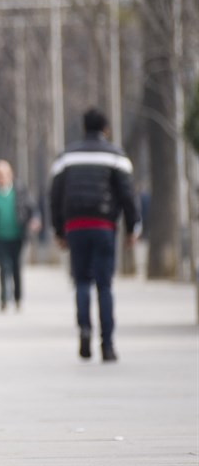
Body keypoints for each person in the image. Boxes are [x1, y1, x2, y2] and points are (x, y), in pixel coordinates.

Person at [50, 108, 140, 362]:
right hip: (103, 227)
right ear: (106, 129)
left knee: (81, 282)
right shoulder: (116, 156)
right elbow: (128, 195)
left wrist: (58, 229)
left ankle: (85, 330)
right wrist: (133, 228)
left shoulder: (66, 157)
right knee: (104, 285)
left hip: (76, 226)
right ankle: (108, 344)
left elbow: (55, 196)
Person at [0, 160, 39, 311]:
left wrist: (34, 220)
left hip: (17, 236)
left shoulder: (20, 190)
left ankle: (18, 297)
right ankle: (4, 299)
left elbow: (32, 208)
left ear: (11, 174)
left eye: (5, 174)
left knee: (16, 267)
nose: (2, 177)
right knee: (3, 268)